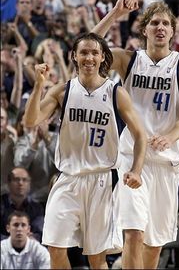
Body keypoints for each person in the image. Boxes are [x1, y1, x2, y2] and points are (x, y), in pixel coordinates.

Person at [92, 0, 179, 269]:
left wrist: (171, 136)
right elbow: (87, 48)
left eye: (165, 23)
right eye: (154, 23)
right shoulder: (129, 60)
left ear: (173, 31)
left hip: (166, 162)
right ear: (144, 29)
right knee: (133, 232)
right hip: (131, 157)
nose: (160, 27)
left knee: (154, 244)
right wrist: (115, 14)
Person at [23, 32, 147, 269]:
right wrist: (39, 85)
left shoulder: (115, 93)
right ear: (74, 56)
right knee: (56, 249)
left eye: (94, 52)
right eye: (84, 52)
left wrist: (137, 170)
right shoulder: (63, 90)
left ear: (102, 58)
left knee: (96, 258)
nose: (89, 57)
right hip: (68, 178)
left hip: (101, 180)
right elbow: (31, 121)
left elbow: (140, 134)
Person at [1, 167, 45, 242]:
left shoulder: (37, 208)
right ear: (8, 183)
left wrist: (30, 238)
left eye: (24, 180)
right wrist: (12, 240)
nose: (20, 183)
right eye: (16, 179)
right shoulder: (1, 203)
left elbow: (39, 232)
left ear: (29, 184)